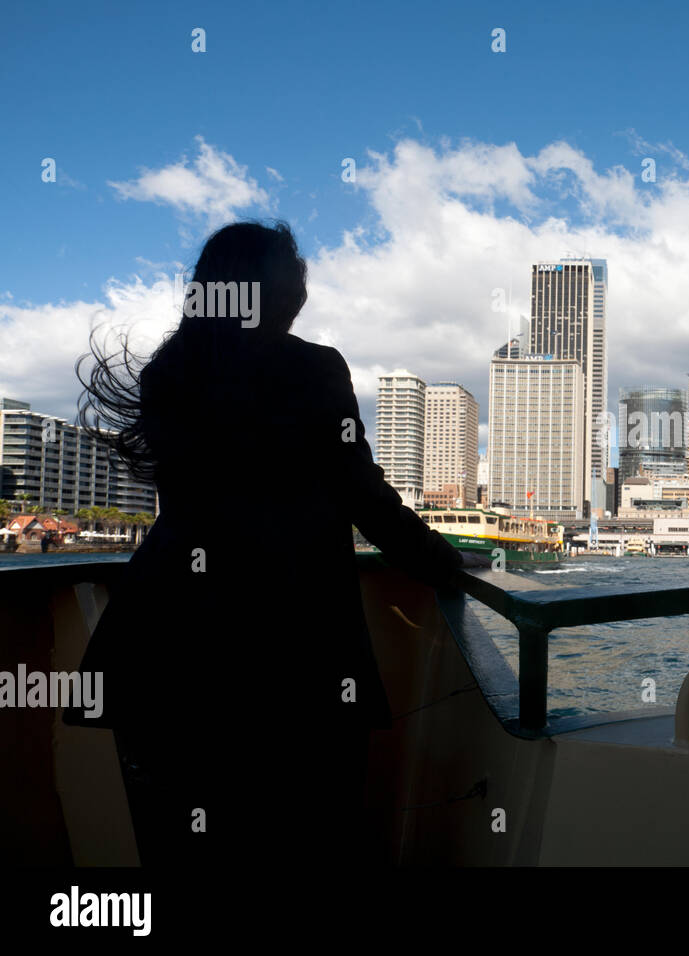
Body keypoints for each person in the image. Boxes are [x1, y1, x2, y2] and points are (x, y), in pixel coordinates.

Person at [67, 220, 476, 866]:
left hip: (161, 651)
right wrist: (448, 561)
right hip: (290, 656)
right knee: (304, 840)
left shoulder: (167, 376)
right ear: (279, 290)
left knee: (183, 845)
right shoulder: (313, 369)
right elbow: (364, 497)